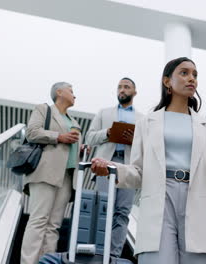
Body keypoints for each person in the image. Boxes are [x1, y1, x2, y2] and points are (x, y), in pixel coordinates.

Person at [91, 57, 206, 264]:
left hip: (195, 199)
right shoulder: (146, 123)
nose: (191, 79)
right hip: (160, 198)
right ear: (167, 81)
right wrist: (113, 168)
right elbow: (139, 172)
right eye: (184, 73)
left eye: (195, 75)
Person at [21, 82, 82, 264]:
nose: (74, 95)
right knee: (39, 220)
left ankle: (47, 261)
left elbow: (72, 147)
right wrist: (58, 137)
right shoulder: (43, 109)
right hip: (45, 172)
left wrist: (80, 147)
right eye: (71, 91)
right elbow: (32, 132)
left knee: (54, 225)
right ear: (59, 92)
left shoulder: (74, 122)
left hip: (66, 176)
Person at [85, 77, 144, 257]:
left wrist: (136, 139)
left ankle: (114, 255)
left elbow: (147, 145)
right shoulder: (104, 113)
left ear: (134, 92)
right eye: (119, 87)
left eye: (126, 87)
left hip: (129, 168)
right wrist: (109, 132)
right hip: (105, 164)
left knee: (122, 212)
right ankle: (99, 252)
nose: (122, 90)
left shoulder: (143, 119)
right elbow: (90, 138)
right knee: (104, 207)